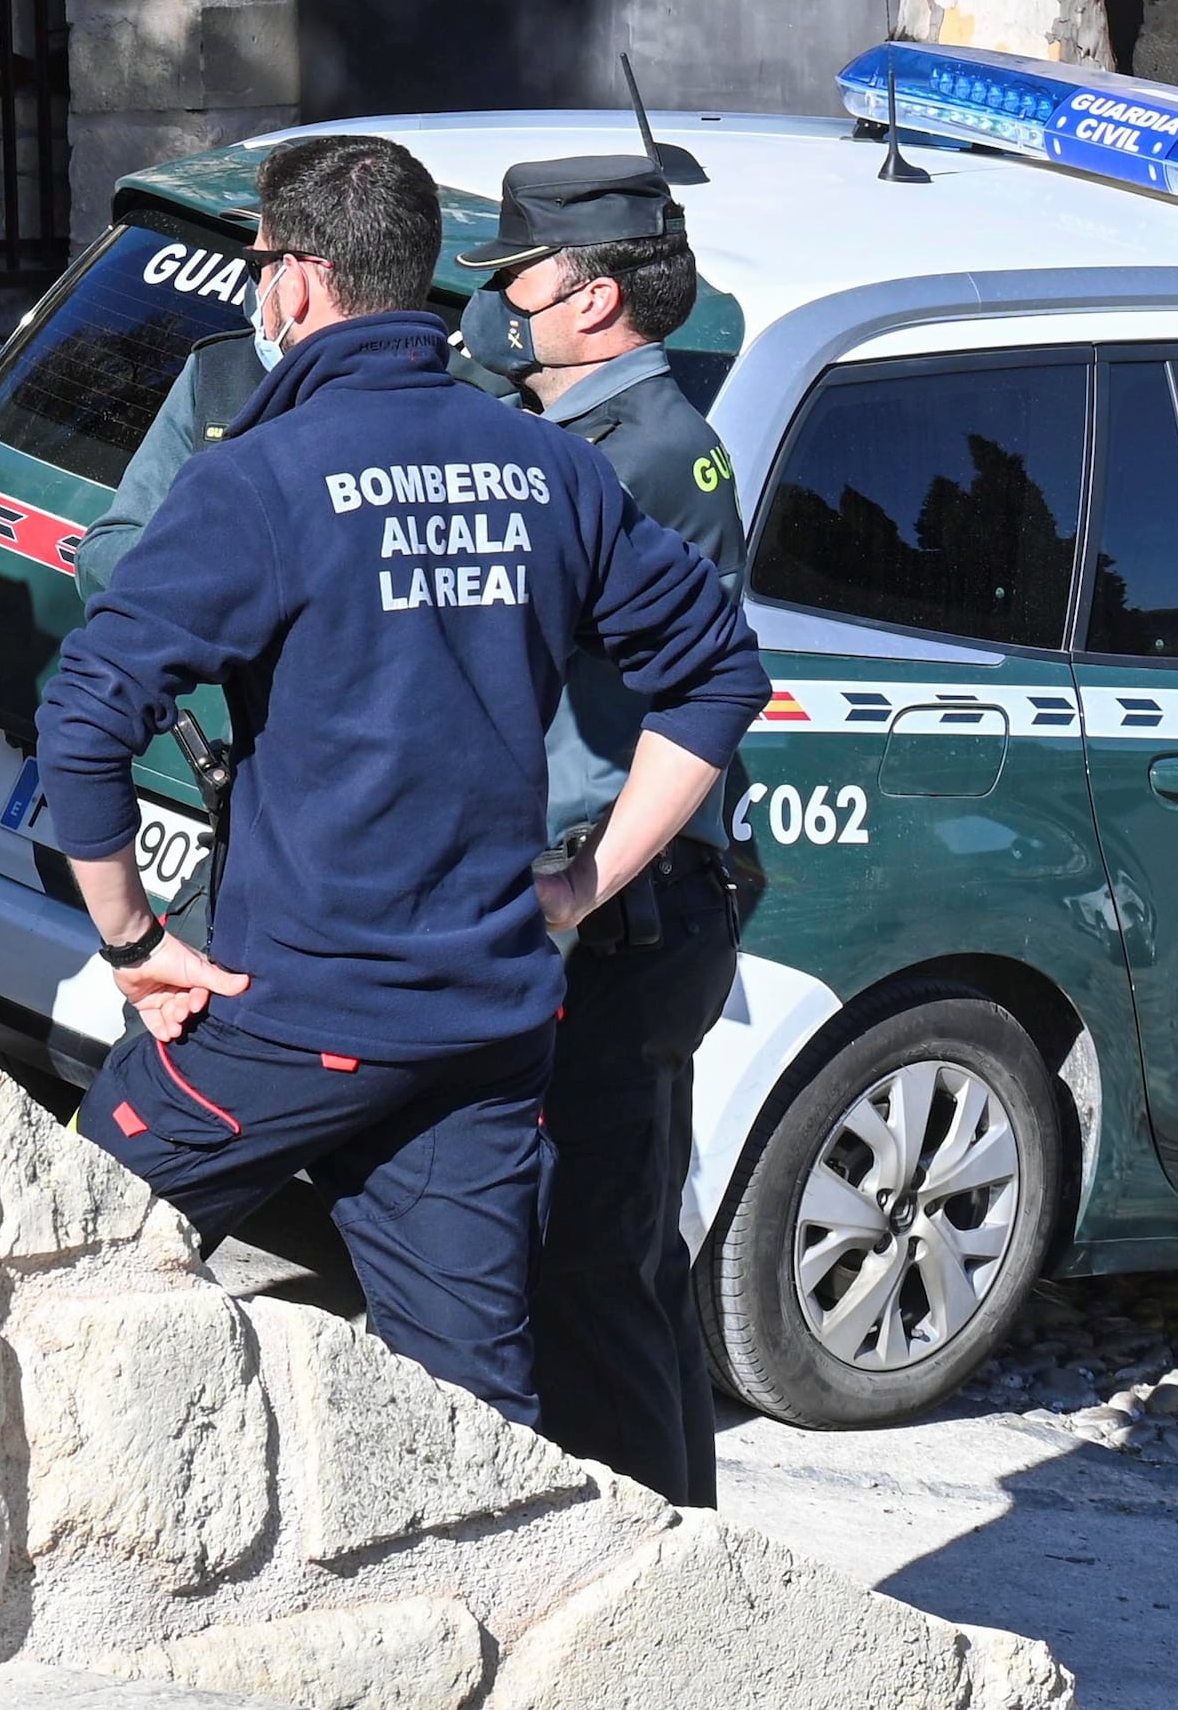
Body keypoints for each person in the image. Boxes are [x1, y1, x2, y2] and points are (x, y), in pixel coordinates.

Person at [36, 133, 762, 1419]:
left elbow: (90, 709)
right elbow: (716, 677)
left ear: (298, 282)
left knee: (56, 1270)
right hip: (481, 1028)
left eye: (263, 266)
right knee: (472, 1419)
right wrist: (581, 888)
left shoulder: (259, 476)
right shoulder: (549, 467)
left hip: (287, 1010)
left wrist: (131, 940)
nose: (263, 292)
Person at [455, 153, 756, 1504]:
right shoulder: (596, 437)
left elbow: (682, 697)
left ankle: (664, 1569)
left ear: (588, 300)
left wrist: (581, 887)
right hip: (616, 912)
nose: (492, 306)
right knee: (609, 1257)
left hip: (626, 914)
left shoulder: (634, 457)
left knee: (601, 1263)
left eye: (511, 281)